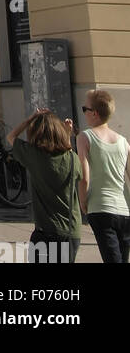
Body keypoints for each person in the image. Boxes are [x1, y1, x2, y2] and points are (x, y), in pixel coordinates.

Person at [6, 108, 82, 264]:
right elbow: (65, 158)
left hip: (46, 231)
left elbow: (11, 136)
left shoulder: (34, 156)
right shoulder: (73, 158)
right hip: (71, 231)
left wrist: (30, 119)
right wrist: (67, 135)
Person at [77, 89, 130, 263]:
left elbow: (84, 177)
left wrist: (83, 202)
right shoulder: (123, 141)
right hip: (125, 210)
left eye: (85, 109)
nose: (83, 113)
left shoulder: (85, 137)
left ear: (94, 114)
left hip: (100, 207)